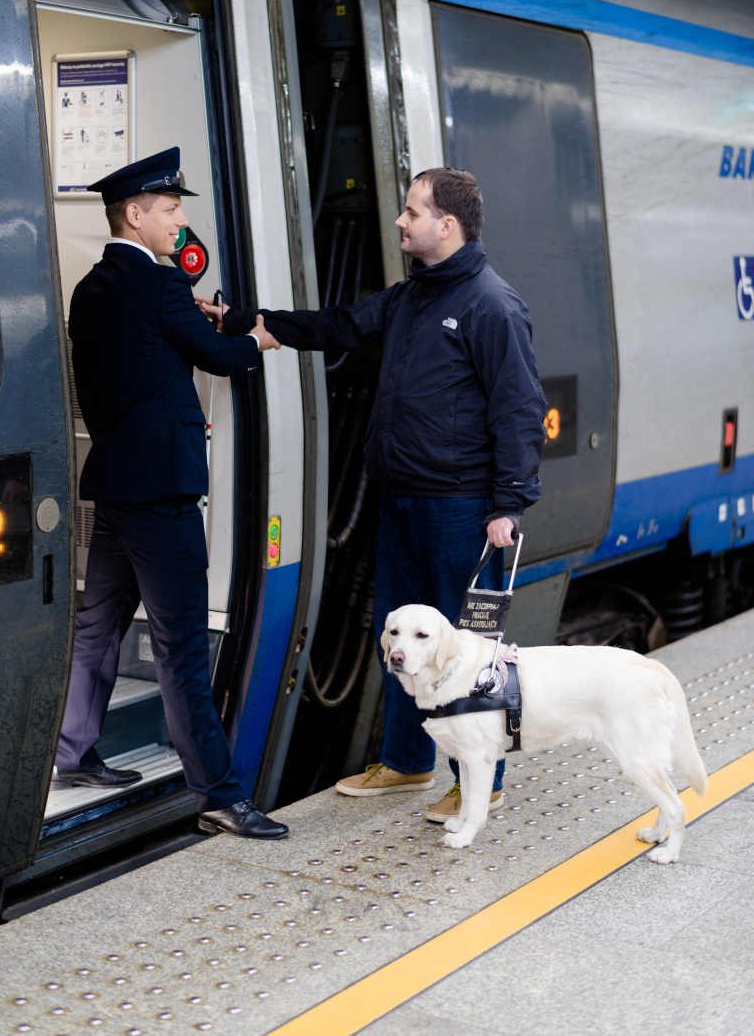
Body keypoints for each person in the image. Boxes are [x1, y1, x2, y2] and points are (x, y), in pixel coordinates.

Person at [200, 167, 547, 824]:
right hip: (403, 498)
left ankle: (482, 779)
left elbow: (520, 409)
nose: (400, 221)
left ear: (447, 225)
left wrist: (508, 504)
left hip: (461, 508)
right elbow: (340, 326)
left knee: (468, 647)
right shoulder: (412, 297)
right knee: (401, 638)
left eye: (412, 212)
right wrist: (249, 322)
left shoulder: (491, 305)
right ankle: (408, 760)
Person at [53, 147, 288, 841]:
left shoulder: (91, 288)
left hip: (116, 488)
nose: (179, 223)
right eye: (171, 209)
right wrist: (259, 337)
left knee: (97, 627)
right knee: (180, 646)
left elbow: (143, 356)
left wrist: (194, 320)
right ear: (135, 213)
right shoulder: (161, 287)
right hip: (162, 495)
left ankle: (72, 753)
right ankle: (219, 793)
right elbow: (220, 355)